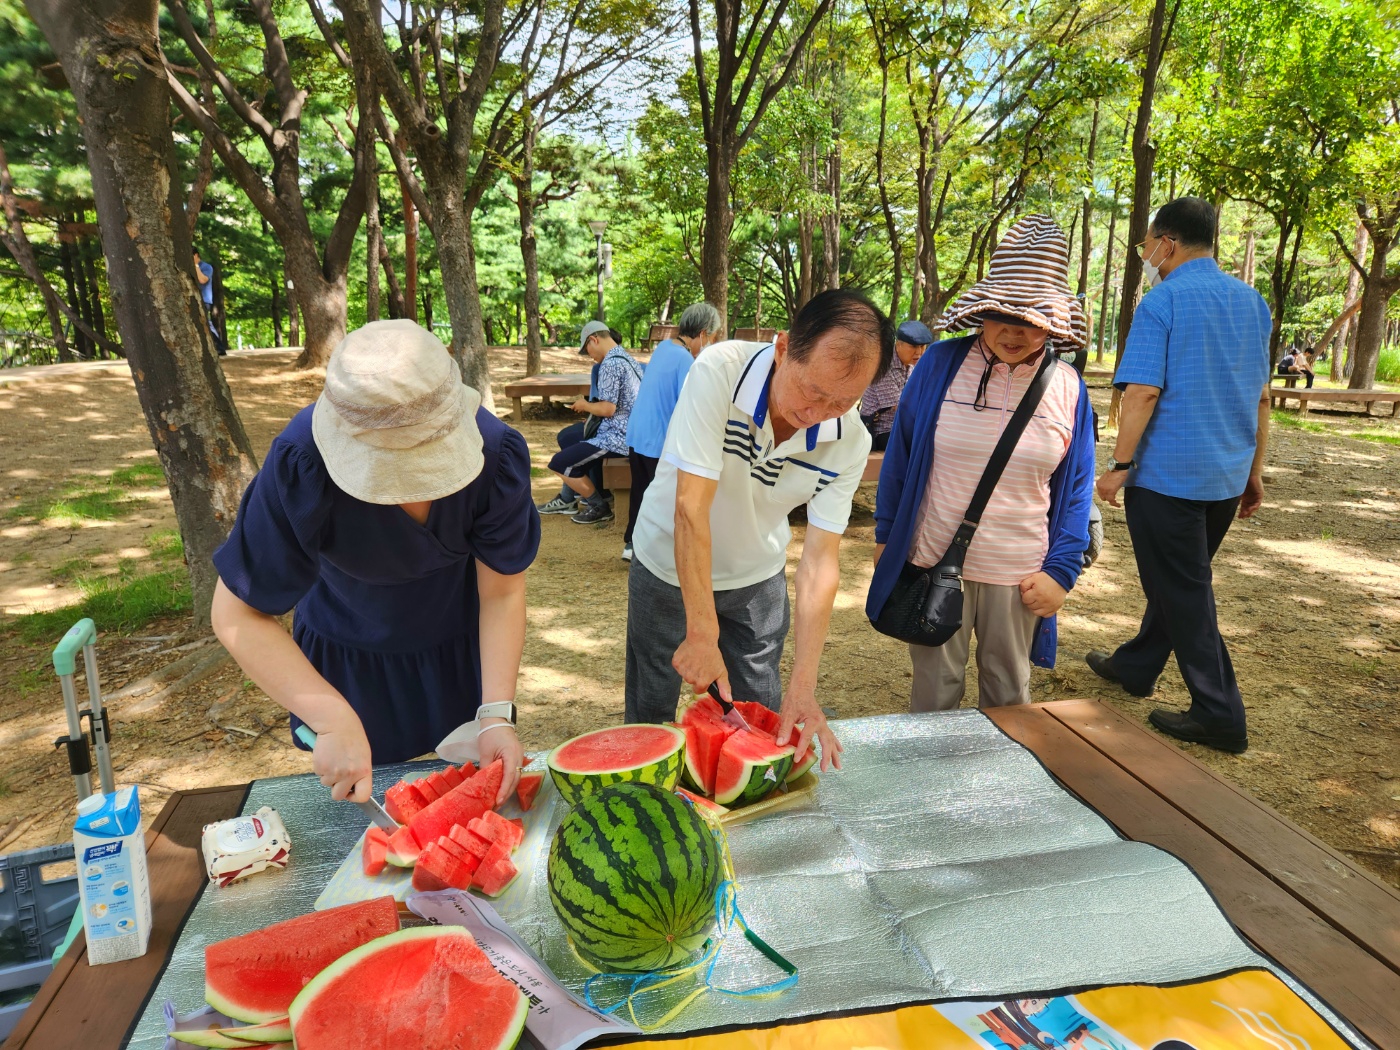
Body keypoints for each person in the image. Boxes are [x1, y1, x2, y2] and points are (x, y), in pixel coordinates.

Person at [210, 320, 540, 805]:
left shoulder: (497, 455)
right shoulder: (302, 461)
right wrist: (331, 717)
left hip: (459, 651)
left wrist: (494, 714)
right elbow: (236, 614)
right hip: (345, 665)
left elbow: (502, 592)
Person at [625, 289, 895, 769]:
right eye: (812, 391)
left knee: (760, 714)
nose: (818, 414)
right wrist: (702, 631)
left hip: (757, 576)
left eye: (844, 400)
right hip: (667, 563)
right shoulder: (719, 370)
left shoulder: (850, 439)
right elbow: (690, 508)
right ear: (784, 348)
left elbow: (819, 562)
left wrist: (806, 688)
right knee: (651, 708)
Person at [868, 215, 1095, 712]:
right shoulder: (938, 365)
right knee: (935, 692)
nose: (1014, 332)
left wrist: (1061, 572)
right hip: (931, 556)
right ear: (981, 312)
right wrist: (889, 533)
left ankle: (1005, 789)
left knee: (1009, 696)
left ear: (1052, 323)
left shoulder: (1069, 388)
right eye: (1002, 315)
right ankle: (931, 788)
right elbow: (901, 454)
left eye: (1031, 320)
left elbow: (1077, 490)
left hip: (1019, 573)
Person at [1087, 196, 1271, 754]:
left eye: (1147, 243)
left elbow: (1141, 390)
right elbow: (1262, 396)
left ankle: (1219, 713)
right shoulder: (1252, 302)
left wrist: (1119, 466)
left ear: (1166, 242)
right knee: (1179, 581)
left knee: (1185, 590)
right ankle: (1136, 666)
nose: (1146, 253)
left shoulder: (1161, 302)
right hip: (1226, 473)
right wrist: (1255, 471)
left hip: (1167, 478)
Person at [623, 303, 725, 561]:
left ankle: (630, 543)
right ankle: (650, 549)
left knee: (640, 490)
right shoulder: (685, 360)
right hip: (657, 438)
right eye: (710, 337)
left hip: (638, 433)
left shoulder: (664, 348)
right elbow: (689, 404)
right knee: (660, 495)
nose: (709, 343)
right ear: (703, 333)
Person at [540, 321, 643, 526]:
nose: (589, 356)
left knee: (559, 463)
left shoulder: (610, 364)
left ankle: (599, 506)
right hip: (628, 430)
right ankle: (572, 498)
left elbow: (607, 409)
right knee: (569, 438)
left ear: (594, 339)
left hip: (618, 438)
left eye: (587, 349)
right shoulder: (624, 357)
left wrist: (585, 405)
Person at [860, 319, 933, 451]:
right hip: (880, 430)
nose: (919, 352)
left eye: (922, 346)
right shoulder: (884, 367)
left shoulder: (910, 366)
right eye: (914, 346)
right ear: (898, 345)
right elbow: (903, 407)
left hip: (899, 428)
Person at [193, 250, 227, 356]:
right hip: (194, 298)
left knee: (207, 323)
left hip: (204, 299)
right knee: (205, 323)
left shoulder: (206, 267)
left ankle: (220, 347)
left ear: (196, 255)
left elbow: (202, 280)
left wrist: (196, 266)